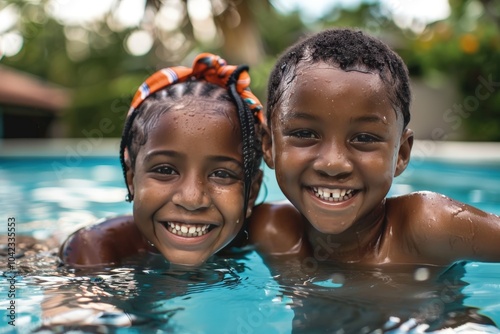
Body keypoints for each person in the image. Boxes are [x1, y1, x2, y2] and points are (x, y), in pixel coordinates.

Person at [249, 28, 500, 267]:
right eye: (304, 134)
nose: (333, 163)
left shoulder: (429, 227)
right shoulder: (270, 231)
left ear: (401, 154)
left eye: (364, 138)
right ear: (269, 146)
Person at [59, 53, 264, 267]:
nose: (191, 199)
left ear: (252, 194)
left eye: (222, 174)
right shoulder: (95, 248)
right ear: (131, 180)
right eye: (165, 170)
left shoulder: (272, 234)